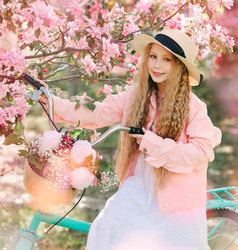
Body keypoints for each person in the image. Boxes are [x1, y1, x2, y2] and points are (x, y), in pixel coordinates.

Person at [38, 28, 222, 250]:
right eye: (153, 57)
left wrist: (151, 141)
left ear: (180, 67)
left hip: (177, 198)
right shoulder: (136, 96)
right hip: (140, 186)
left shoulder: (194, 107)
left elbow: (201, 153)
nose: (157, 65)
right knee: (105, 230)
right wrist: (54, 102)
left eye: (167, 60)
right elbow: (97, 113)